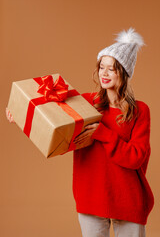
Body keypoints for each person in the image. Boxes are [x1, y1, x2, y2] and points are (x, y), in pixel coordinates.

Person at [6, 28, 154, 237]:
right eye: (101, 67)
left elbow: (136, 158)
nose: (104, 73)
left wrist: (102, 133)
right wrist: (20, 115)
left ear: (124, 72)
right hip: (90, 197)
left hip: (128, 199)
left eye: (111, 69)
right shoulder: (84, 103)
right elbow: (57, 134)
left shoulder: (140, 110)